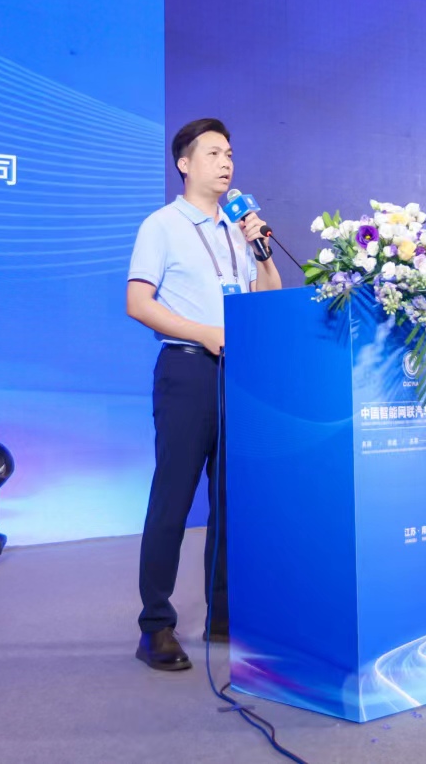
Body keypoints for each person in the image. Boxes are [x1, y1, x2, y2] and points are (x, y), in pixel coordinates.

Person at [125, 118, 281, 671]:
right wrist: (204, 332)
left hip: (237, 375)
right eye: (213, 153)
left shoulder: (238, 229)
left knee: (233, 501)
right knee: (173, 499)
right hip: (187, 371)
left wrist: (261, 251)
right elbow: (138, 303)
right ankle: (155, 626)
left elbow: (267, 299)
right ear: (184, 163)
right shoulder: (162, 225)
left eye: (230, 153)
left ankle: (224, 614)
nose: (226, 162)